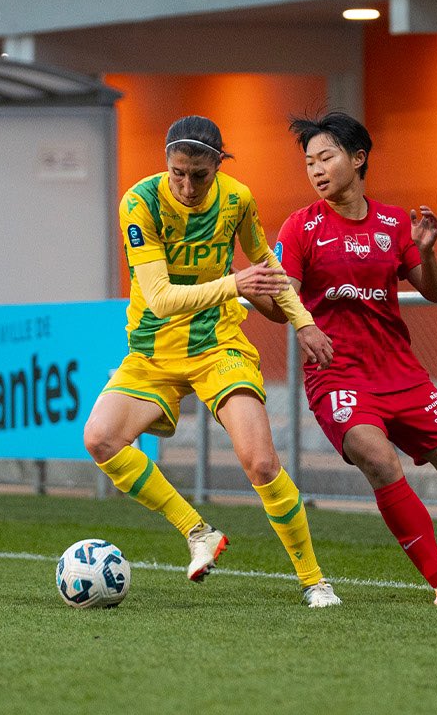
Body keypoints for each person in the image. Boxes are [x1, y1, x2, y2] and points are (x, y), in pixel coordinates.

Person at [82, 115, 342, 608]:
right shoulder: (140, 203)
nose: (187, 185)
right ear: (167, 164)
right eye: (178, 172)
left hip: (217, 346)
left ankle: (315, 581)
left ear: (217, 166)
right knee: (99, 438)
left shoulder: (237, 199)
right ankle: (197, 531)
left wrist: (303, 322)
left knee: (262, 463)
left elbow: (266, 264)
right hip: (153, 352)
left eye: (199, 175)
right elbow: (158, 297)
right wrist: (233, 284)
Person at [270, 112, 437, 606]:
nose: (317, 170)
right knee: (378, 458)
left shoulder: (394, 222)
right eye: (309, 162)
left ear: (358, 157)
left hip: (402, 374)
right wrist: (296, 318)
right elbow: (282, 295)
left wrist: (428, 252)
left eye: (326, 157)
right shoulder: (301, 227)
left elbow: (433, 292)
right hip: (338, 376)